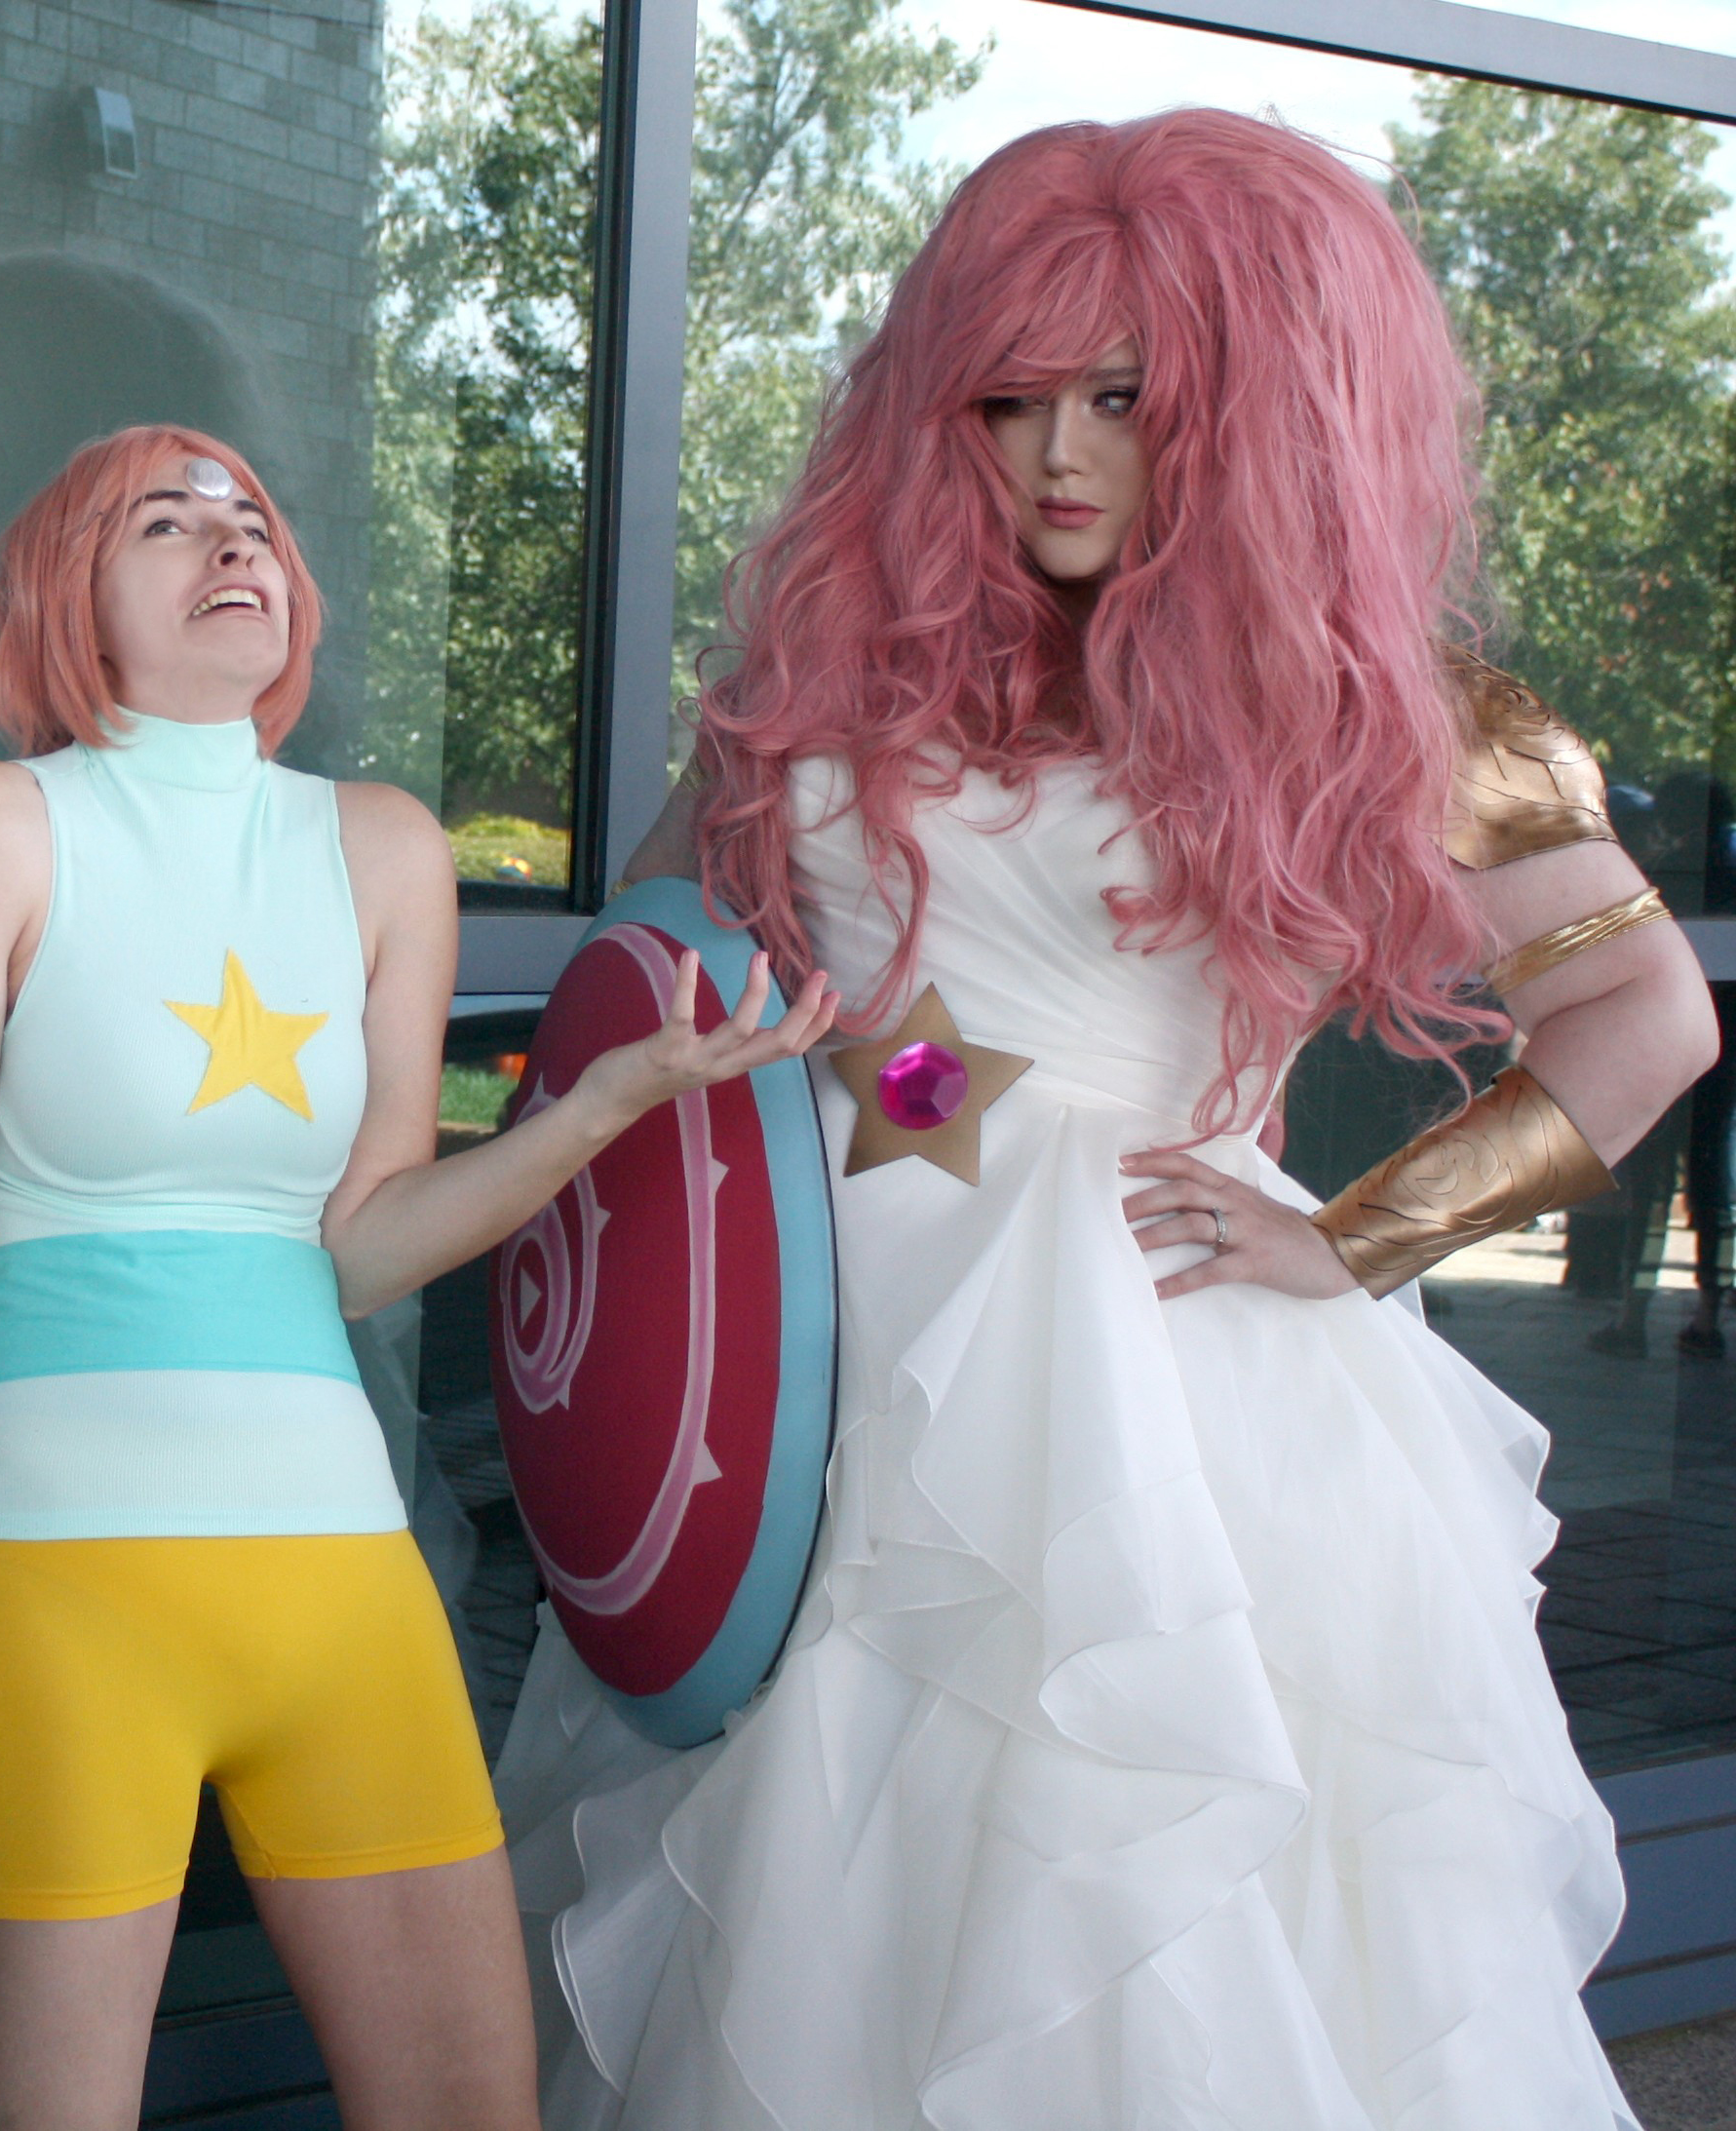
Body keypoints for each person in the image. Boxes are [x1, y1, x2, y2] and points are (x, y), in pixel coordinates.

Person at [499, 110, 1709, 2130]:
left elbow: (1643, 1010)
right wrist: (895, 1096)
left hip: (1164, 1353)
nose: (1057, 452)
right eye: (1008, 396)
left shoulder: (1379, 706)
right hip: (829, 1343)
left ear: (1257, 407)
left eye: (1124, 398)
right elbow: (680, 974)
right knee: (822, 1886)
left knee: (1151, 1880)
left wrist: (1357, 1236)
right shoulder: (831, 679)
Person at [0, 424, 837, 2131]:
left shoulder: (383, 845)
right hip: (55, 1601)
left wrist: (604, 1104)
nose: (232, 544)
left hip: (344, 1588)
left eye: (251, 523)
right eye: (166, 522)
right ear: (69, 599)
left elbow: (366, 1237)